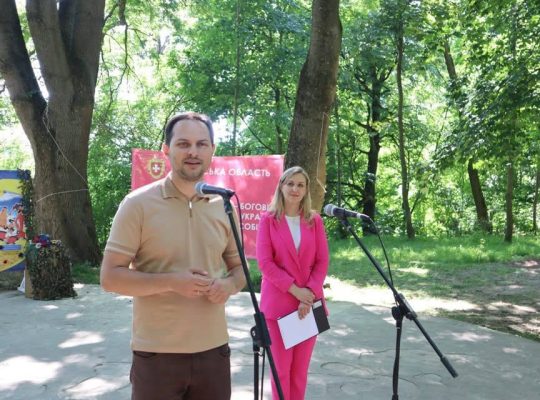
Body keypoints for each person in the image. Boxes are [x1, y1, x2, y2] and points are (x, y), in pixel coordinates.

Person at [100, 111, 246, 400]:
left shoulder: (224, 205)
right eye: (183, 144)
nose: (193, 152)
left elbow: (241, 269)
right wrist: (171, 282)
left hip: (214, 352)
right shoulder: (137, 204)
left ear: (212, 150)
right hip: (156, 355)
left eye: (202, 144)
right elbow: (110, 277)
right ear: (166, 150)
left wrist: (229, 285)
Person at [256, 166, 329, 400]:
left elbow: (322, 261)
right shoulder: (268, 220)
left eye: (300, 185)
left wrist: (308, 294)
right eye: (290, 183)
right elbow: (265, 263)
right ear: (281, 186)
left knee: (299, 373)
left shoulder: (314, 220)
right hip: (278, 306)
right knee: (280, 373)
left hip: (309, 305)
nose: (295, 189)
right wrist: (297, 291)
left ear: (306, 190)